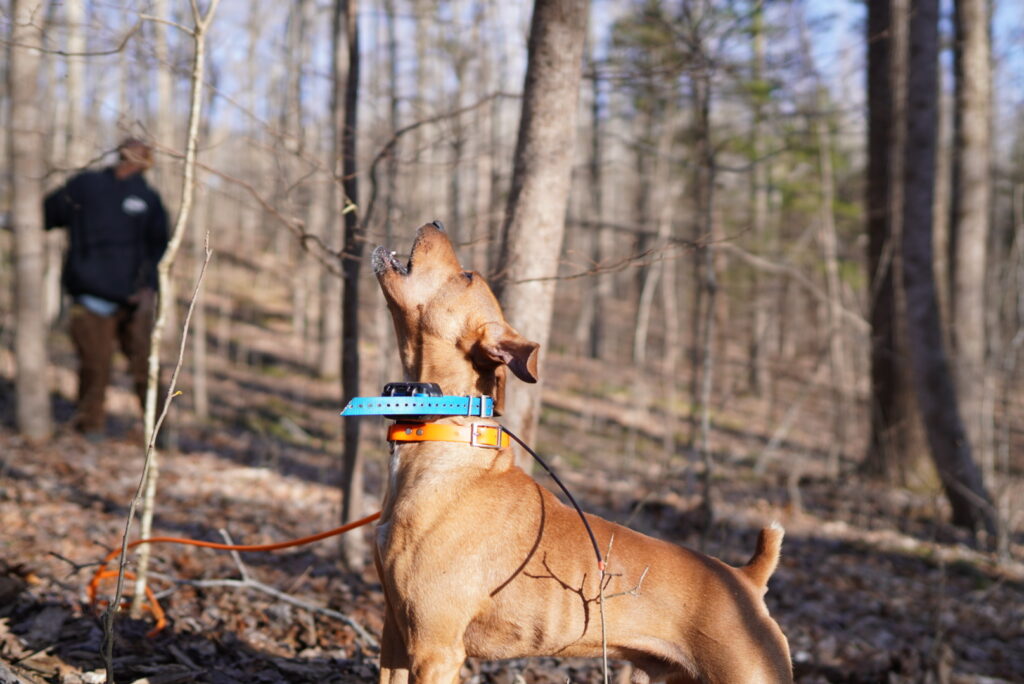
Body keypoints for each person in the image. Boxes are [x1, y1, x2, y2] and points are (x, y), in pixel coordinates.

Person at [44, 138, 169, 440]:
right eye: (133, 154)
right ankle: (91, 429)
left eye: (144, 156)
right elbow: (46, 215)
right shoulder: (86, 186)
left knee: (146, 368)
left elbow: (160, 248)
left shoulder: (148, 198)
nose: (138, 160)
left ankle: (161, 434)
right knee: (95, 366)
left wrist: (148, 288)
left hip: (135, 300)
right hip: (89, 296)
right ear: (120, 154)